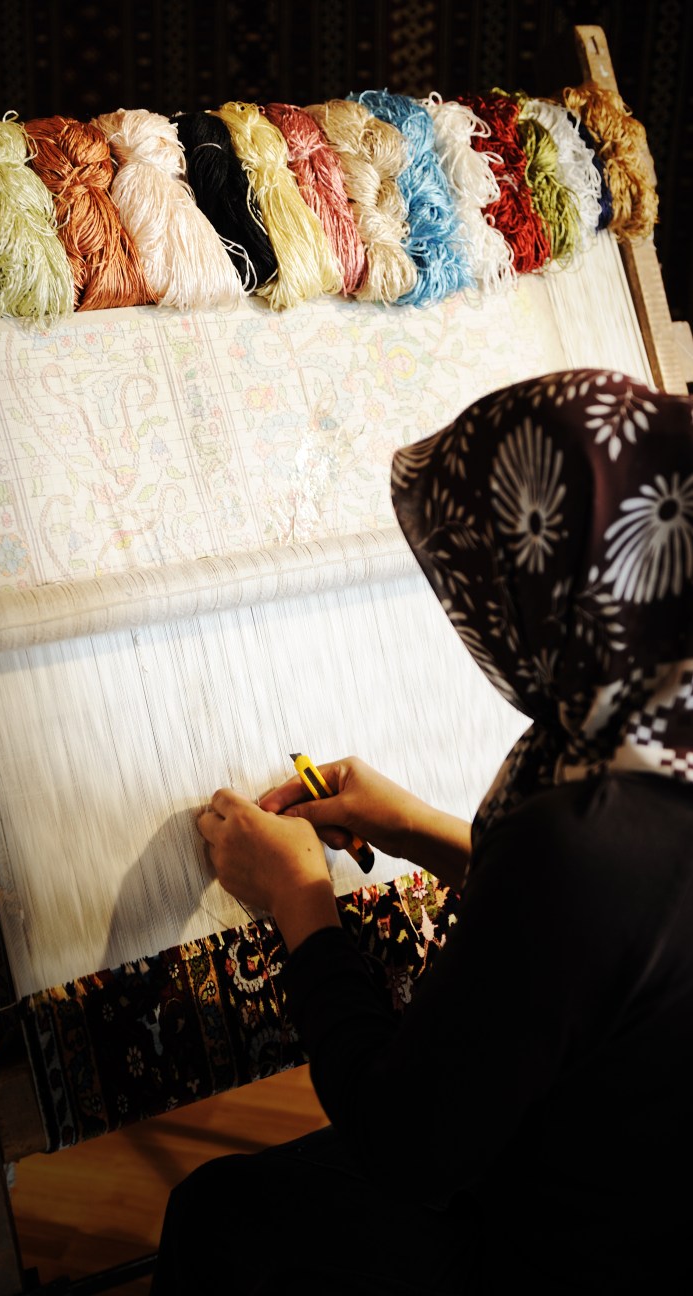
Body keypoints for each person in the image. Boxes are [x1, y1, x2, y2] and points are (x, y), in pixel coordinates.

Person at [150, 369, 693, 1295]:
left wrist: (299, 900)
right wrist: (417, 828)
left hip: (581, 1257)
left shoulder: (581, 842)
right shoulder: (654, 752)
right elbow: (625, 944)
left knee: (218, 1215)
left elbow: (404, 1146)